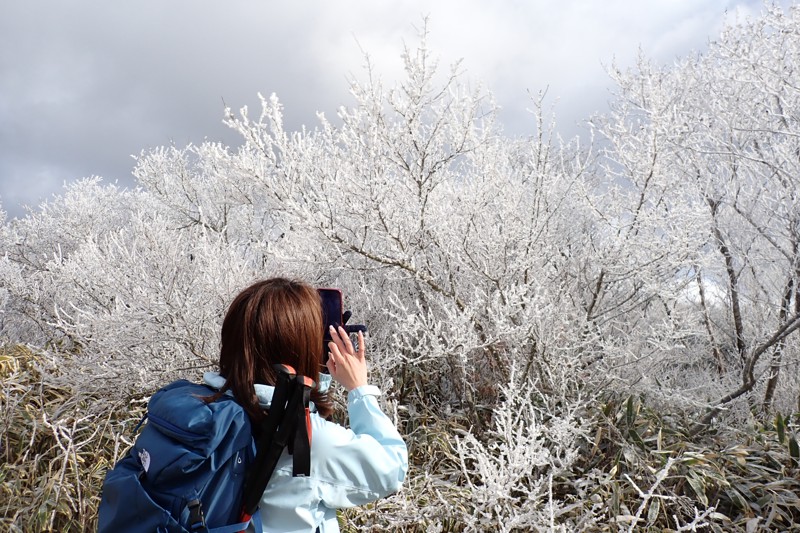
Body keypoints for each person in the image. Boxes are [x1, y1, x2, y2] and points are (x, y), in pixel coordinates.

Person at [203, 277, 408, 532]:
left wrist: (314, 379)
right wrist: (359, 390)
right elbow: (392, 469)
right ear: (303, 347)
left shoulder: (206, 407)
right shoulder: (309, 441)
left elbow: (277, 393)